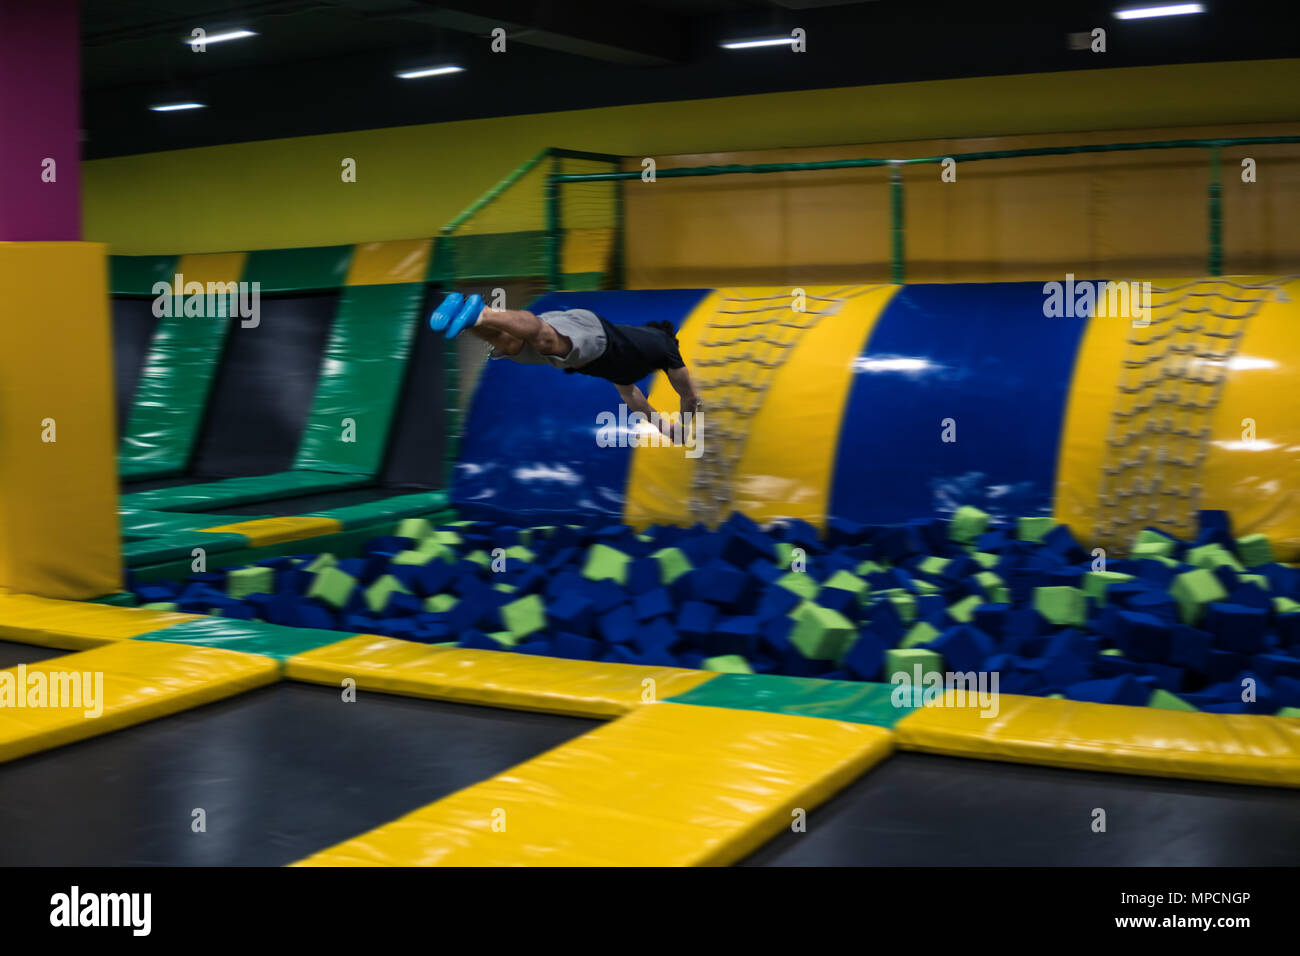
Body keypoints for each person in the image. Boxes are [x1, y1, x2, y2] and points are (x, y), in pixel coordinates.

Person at [430, 292, 701, 442]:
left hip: (591, 345)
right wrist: (683, 427)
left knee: (511, 346)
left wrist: (666, 428)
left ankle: (468, 319)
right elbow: (689, 396)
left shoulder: (630, 363)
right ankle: (484, 312)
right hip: (596, 338)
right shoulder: (665, 347)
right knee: (547, 340)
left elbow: (633, 398)